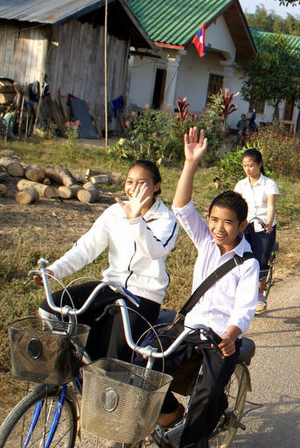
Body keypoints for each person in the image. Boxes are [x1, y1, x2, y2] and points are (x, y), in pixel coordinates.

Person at [155, 126, 259, 447]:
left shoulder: (248, 263)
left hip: (219, 340)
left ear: (242, 225)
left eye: (228, 222)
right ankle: (170, 411)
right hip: (189, 330)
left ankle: (194, 442)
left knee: (210, 394)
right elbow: (182, 207)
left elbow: (244, 308)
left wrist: (231, 335)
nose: (218, 228)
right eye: (213, 219)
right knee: (143, 363)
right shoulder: (206, 242)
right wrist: (190, 163)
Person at [37, 160, 179, 362]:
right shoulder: (115, 212)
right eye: (129, 181)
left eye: (141, 183)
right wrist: (54, 271)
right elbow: (86, 248)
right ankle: (79, 367)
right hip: (110, 289)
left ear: (156, 186)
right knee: (52, 307)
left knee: (112, 360)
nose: (133, 188)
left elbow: (154, 251)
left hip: (143, 299)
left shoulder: (166, 219)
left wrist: (135, 219)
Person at [234, 148, 279, 314]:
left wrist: (268, 222)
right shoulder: (241, 184)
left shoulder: (269, 184)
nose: (248, 169)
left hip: (263, 226)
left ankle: (260, 294)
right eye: (245, 166)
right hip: (245, 226)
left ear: (259, 165)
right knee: (242, 257)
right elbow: (236, 205)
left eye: (251, 165)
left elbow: (271, 206)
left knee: (260, 260)